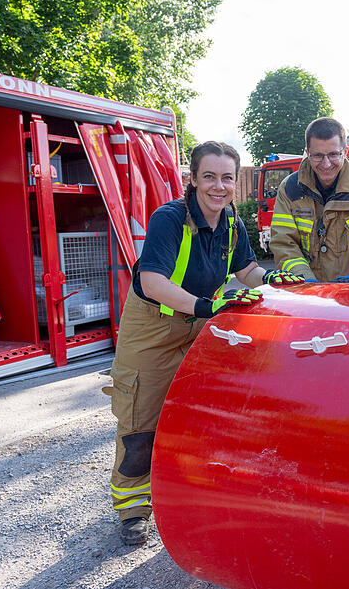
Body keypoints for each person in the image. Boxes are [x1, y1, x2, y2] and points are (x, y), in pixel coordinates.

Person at [106, 141, 303, 546]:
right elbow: (152, 282)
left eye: (227, 178)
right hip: (153, 328)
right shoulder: (169, 219)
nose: (219, 186)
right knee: (140, 422)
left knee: (200, 412)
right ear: (192, 179)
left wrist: (269, 279)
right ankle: (132, 508)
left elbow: (246, 268)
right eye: (209, 176)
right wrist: (206, 307)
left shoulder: (230, 220)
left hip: (200, 318)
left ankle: (187, 492)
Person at [269, 117, 349, 283]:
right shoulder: (290, 189)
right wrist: (303, 280)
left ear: (345, 151)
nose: (326, 164)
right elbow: (283, 243)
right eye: (317, 156)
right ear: (308, 153)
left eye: (333, 154)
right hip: (308, 294)